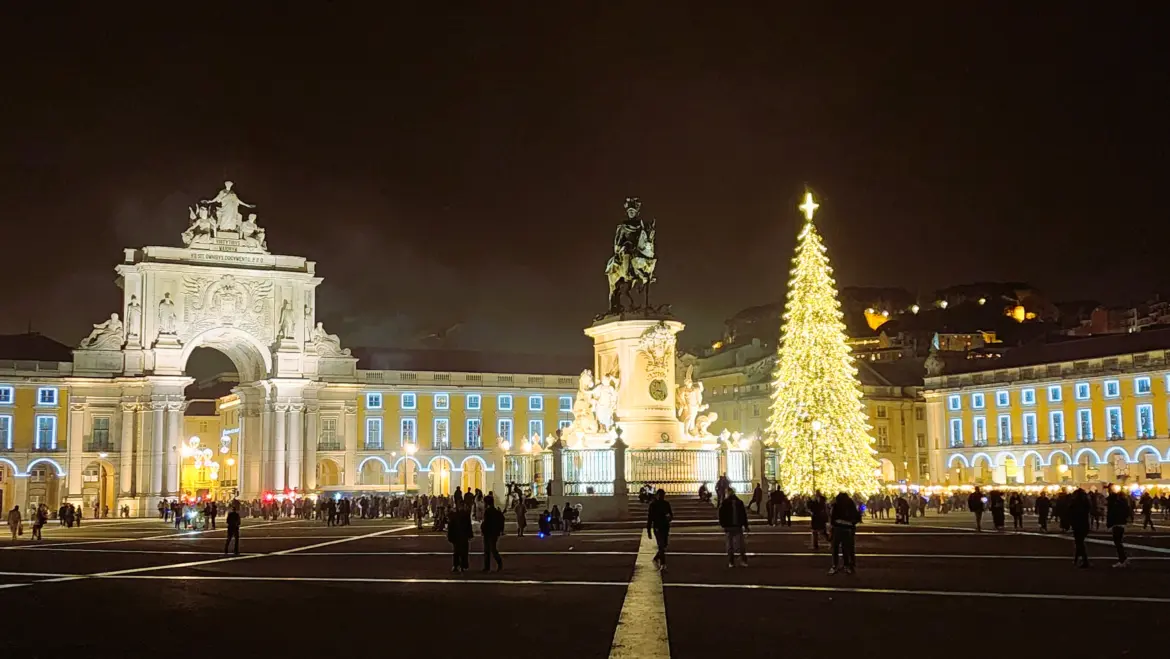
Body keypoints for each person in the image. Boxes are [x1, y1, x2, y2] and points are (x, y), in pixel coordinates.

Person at [829, 492, 861, 575]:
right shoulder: (850, 505)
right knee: (846, 548)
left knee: (837, 548)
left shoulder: (836, 505)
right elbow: (856, 517)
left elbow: (832, 520)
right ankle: (847, 565)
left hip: (839, 529)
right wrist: (849, 523)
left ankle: (836, 565)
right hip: (847, 530)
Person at [718, 487, 749, 568]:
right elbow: (743, 515)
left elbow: (721, 515)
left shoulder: (726, 503)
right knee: (740, 544)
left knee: (731, 545)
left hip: (730, 526)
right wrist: (746, 525)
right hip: (737, 525)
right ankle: (742, 560)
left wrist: (723, 524)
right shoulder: (738, 502)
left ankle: (732, 561)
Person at [647, 489, 673, 571]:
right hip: (657, 527)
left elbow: (671, 515)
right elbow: (650, 518)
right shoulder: (653, 505)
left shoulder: (666, 504)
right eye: (660, 495)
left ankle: (657, 557)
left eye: (663, 495)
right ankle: (663, 563)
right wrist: (649, 530)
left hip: (665, 527)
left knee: (664, 545)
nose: (661, 496)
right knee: (661, 545)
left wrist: (669, 518)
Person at [1068, 488, 1092, 568]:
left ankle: (1084, 561)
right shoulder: (1086, 503)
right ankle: (1077, 559)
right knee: (1079, 542)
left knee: (1079, 543)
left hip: (1077, 524)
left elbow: (1071, 512)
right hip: (1084, 524)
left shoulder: (1075, 503)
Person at [1106, 488, 1130, 568]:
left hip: (1117, 524)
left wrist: (1110, 523)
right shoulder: (1125, 503)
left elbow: (1113, 514)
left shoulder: (1117, 504)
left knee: (1118, 543)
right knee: (1119, 543)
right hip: (1122, 524)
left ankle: (1122, 560)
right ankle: (1124, 559)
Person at [447, 502, 473, 573]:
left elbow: (451, 527)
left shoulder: (454, 515)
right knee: (464, 551)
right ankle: (464, 565)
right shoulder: (466, 515)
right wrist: (470, 535)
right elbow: (469, 526)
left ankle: (456, 565)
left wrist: (450, 536)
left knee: (456, 551)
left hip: (456, 536)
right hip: (464, 536)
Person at [481, 497, 505, 572]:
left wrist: (483, 529)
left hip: (489, 532)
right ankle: (495, 564)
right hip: (493, 532)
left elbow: (486, 522)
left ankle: (488, 566)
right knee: (491, 549)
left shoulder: (488, 511)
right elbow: (501, 519)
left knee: (489, 549)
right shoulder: (495, 511)